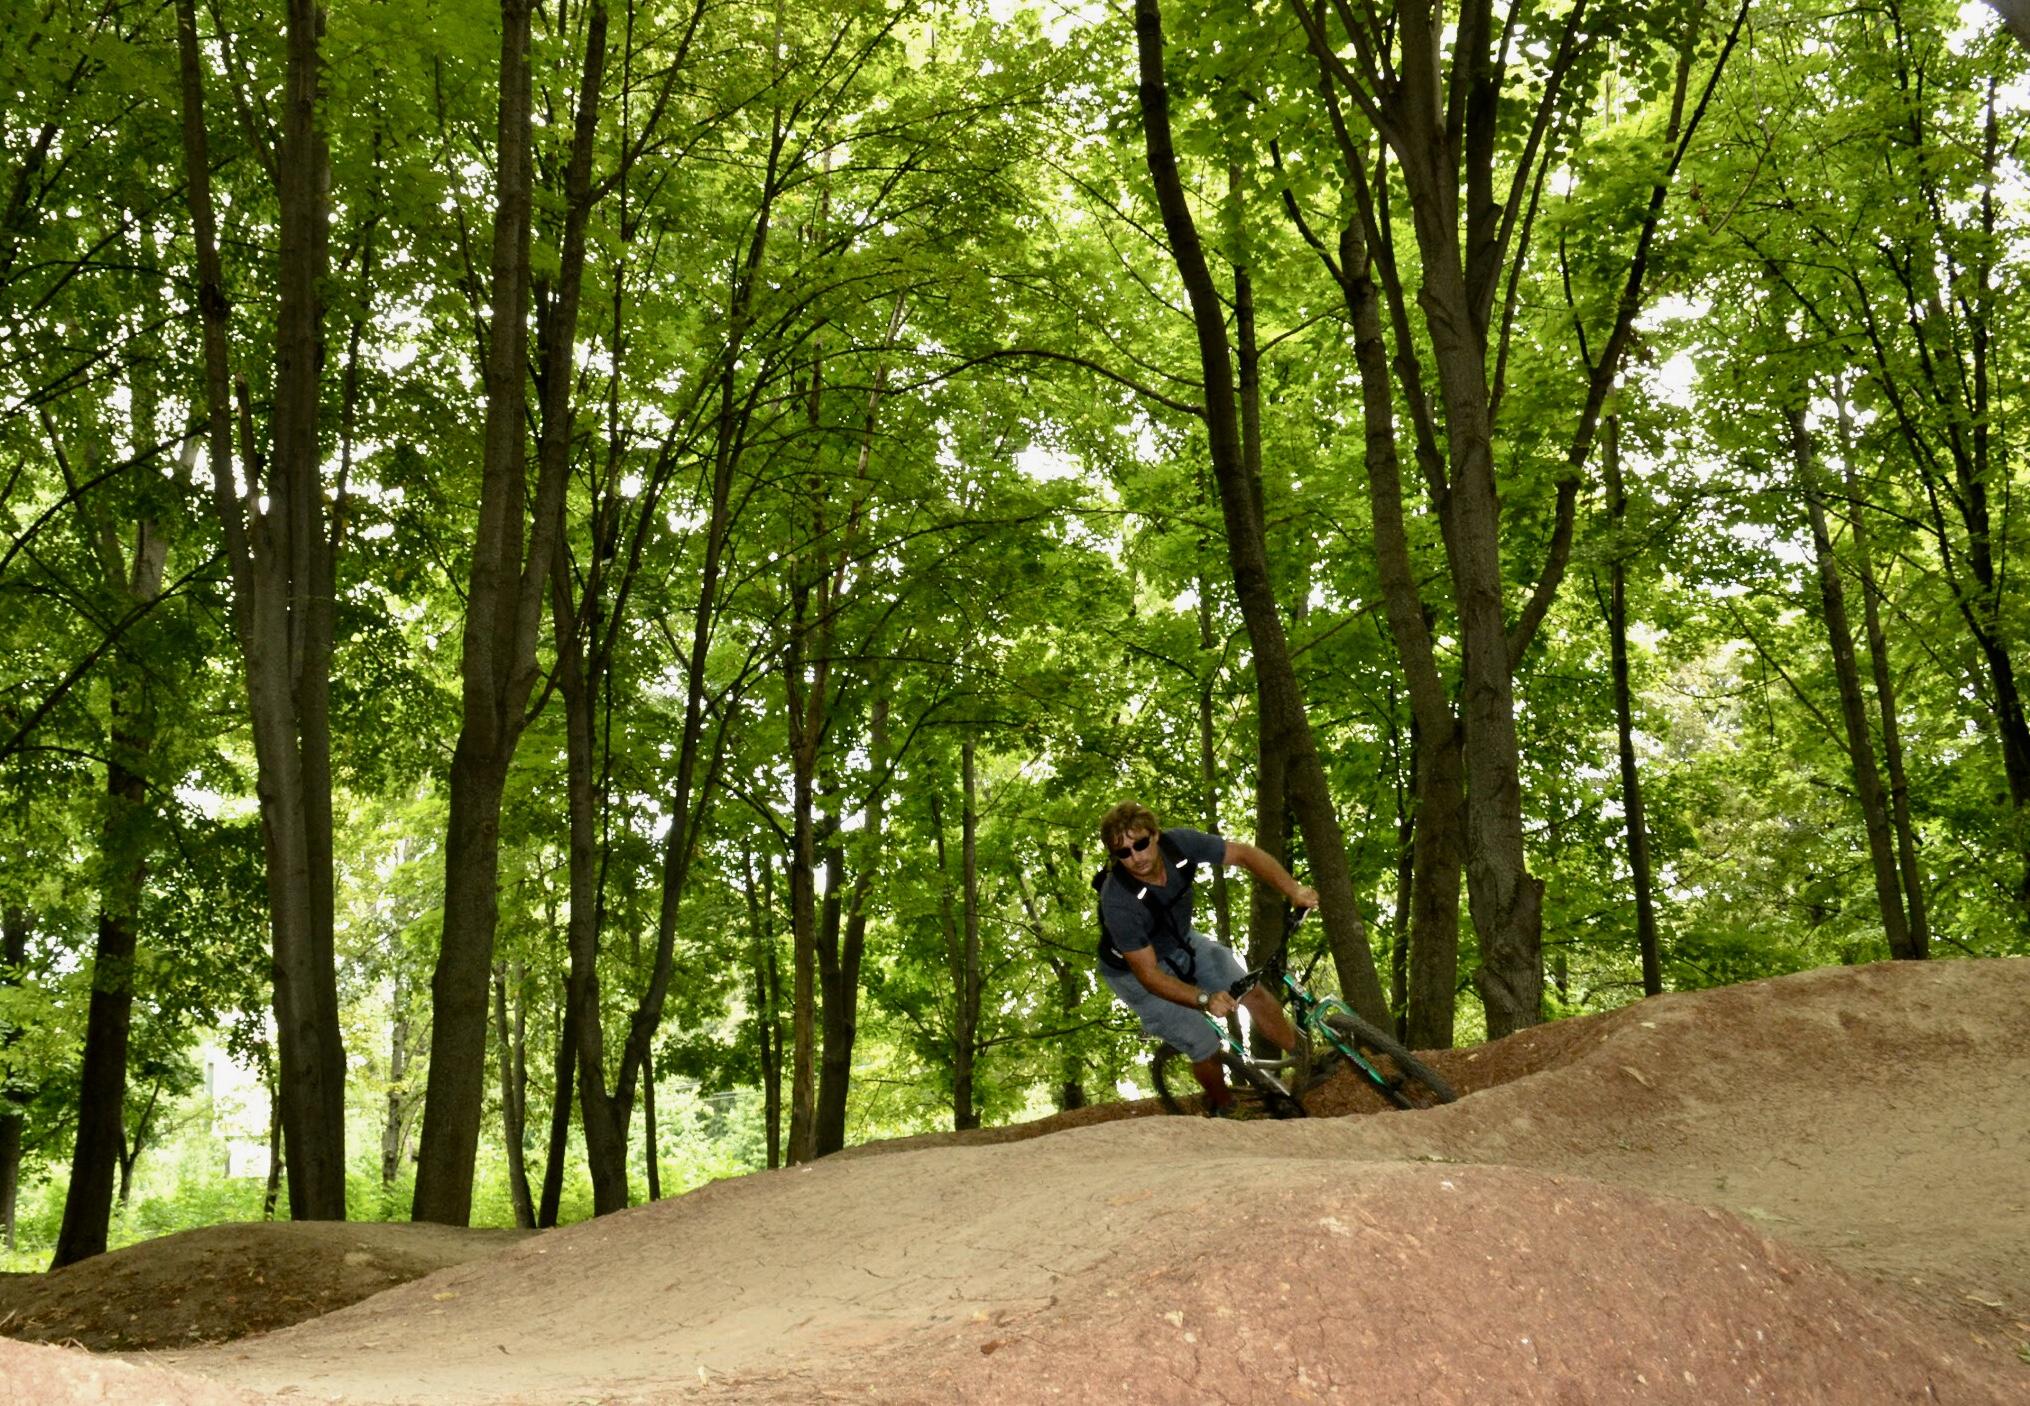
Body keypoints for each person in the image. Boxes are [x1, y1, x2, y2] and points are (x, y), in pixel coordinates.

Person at [1094, 800, 1315, 1116]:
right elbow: (1149, 976)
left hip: (1183, 942)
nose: (1135, 857)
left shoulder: (1179, 845)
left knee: (1251, 991)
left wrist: (1293, 890)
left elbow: (1243, 854)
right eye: (1123, 852)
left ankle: (1306, 1060)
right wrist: (1203, 999)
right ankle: (1224, 1105)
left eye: (1140, 844)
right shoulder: (1118, 901)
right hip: (1134, 974)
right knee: (1203, 1040)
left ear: (1155, 835)